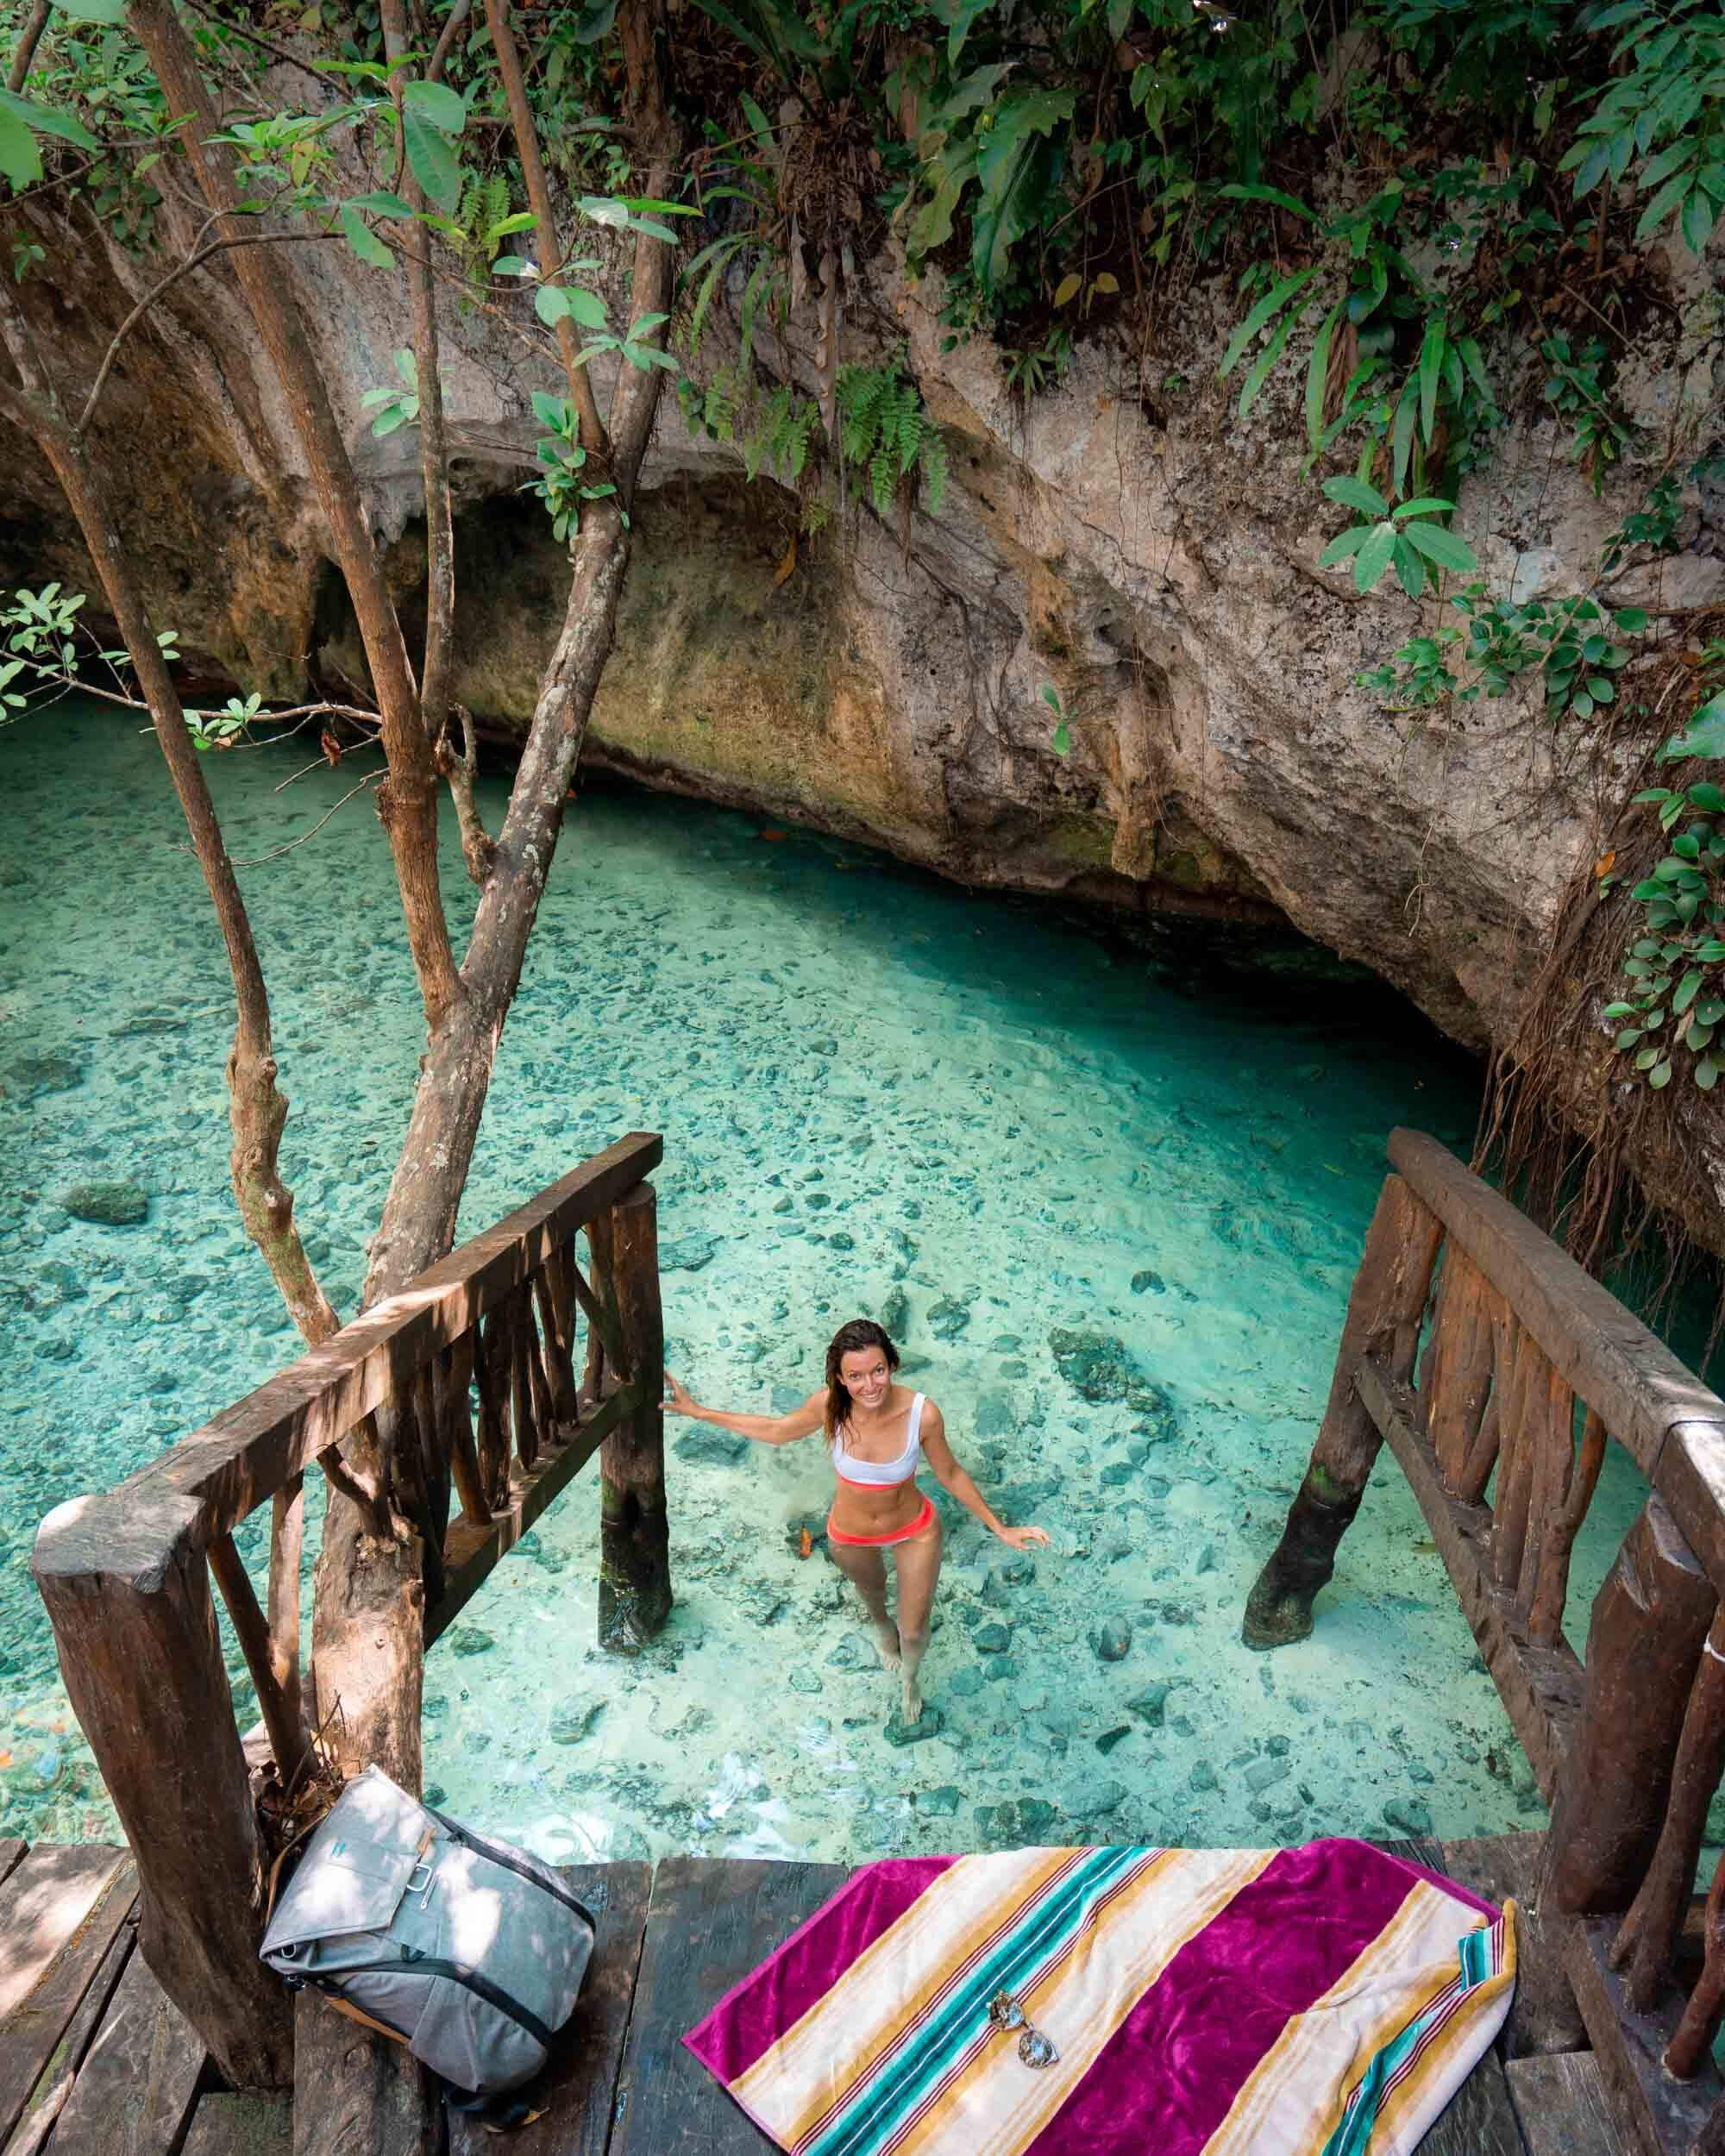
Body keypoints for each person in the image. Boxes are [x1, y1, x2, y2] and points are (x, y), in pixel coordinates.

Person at [664, 1317, 1049, 1725]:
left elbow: (950, 1473)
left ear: (892, 1365)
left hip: (914, 1529)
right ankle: (882, 1629)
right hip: (850, 1534)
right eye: (856, 1376)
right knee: (873, 1594)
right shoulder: (830, 1405)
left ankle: (910, 1679)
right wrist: (699, 1412)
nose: (870, 1386)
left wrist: (999, 1527)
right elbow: (777, 1431)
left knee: (914, 1630)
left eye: (878, 1370)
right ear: (840, 1378)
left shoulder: (923, 1414)